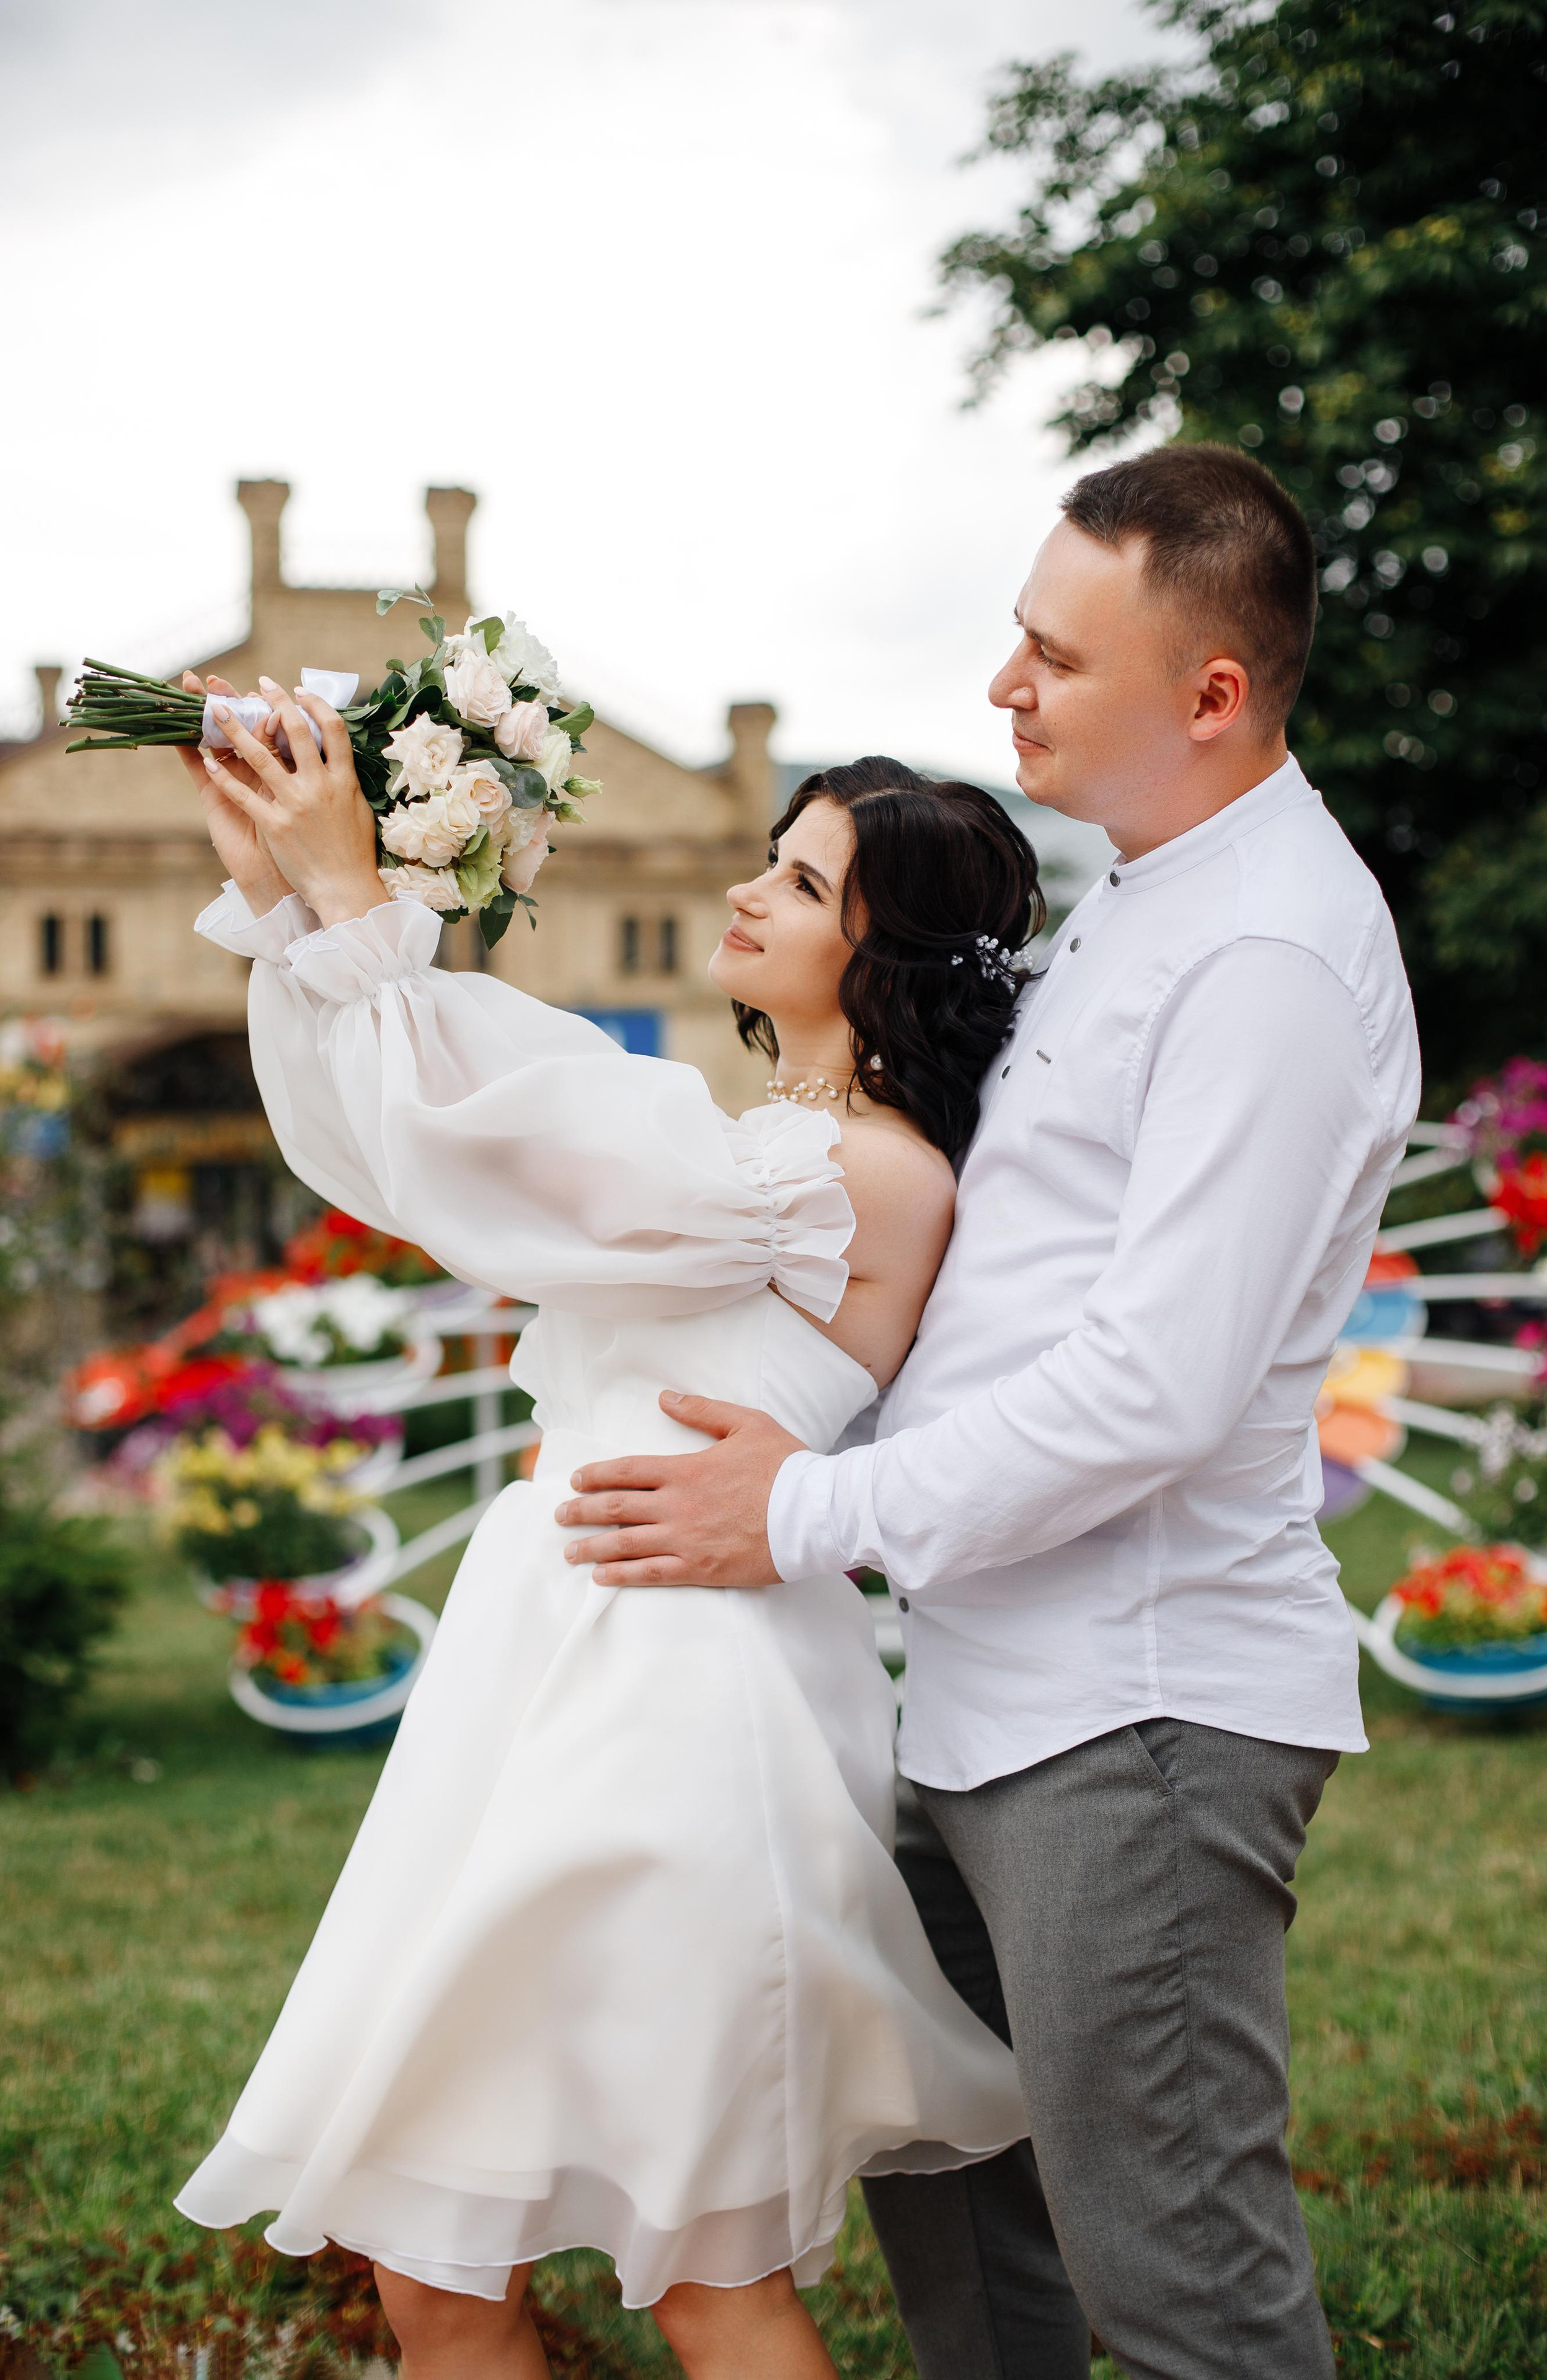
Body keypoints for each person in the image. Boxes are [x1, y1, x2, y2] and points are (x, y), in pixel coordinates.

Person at [556, 443, 1422, 2378]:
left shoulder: (1270, 954)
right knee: (966, 2241)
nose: (1004, 684)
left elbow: (1156, 1387)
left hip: (1137, 1715)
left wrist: (797, 1513)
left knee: (1174, 2283)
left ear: (1212, 693)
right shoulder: (1141, 898)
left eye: (1058, 655)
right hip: (975, 1697)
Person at [169, 686, 1039, 2378]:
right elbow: (417, 1155)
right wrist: (288, 901)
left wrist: (351, 897)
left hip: (689, 1704)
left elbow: (510, 1144)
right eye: (771, 860)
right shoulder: (753, 1144)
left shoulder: (864, 1176)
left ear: (887, 954)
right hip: (545, 1673)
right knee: (432, 2272)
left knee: (709, 2277)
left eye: (801, 883)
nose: (746, 892)